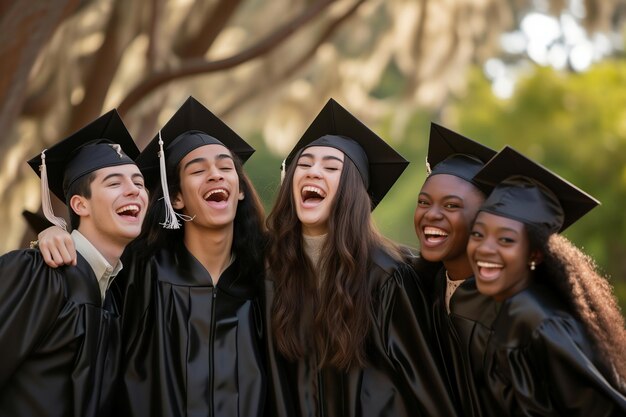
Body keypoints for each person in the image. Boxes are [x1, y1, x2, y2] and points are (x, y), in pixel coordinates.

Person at [36, 97, 268, 417]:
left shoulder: (266, 278)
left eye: (226, 167)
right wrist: (51, 235)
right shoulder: (140, 274)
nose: (215, 175)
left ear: (240, 188)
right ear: (176, 198)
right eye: (198, 170)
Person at [265, 98, 457, 417]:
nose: (313, 172)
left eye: (330, 167)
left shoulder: (386, 275)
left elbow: (415, 386)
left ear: (353, 190)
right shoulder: (271, 268)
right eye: (305, 163)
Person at [0, 110, 147, 417]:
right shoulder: (38, 272)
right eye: (114, 183)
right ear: (80, 205)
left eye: (139, 181)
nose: (134, 190)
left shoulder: (115, 294)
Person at [467, 145, 626, 416]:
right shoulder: (516, 308)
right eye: (478, 234)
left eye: (506, 239)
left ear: (535, 253)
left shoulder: (541, 320)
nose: (484, 249)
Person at [412, 123, 499, 416]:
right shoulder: (425, 288)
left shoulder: (509, 305)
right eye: (424, 202)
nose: (431, 214)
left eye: (451, 206)